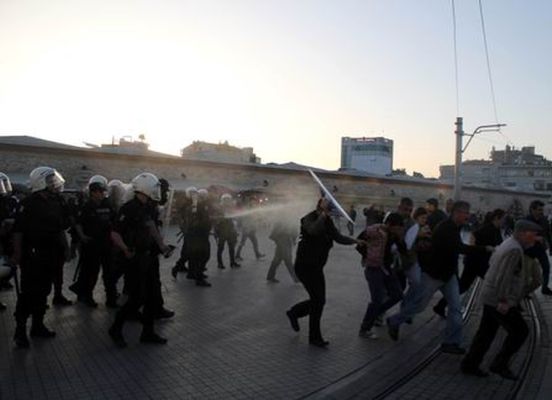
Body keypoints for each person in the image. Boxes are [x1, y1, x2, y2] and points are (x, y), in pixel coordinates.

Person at [387, 201, 492, 354]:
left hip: (448, 275)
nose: (468, 216)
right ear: (456, 213)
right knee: (419, 305)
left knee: (456, 308)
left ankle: (451, 342)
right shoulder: (446, 228)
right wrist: (484, 249)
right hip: (433, 274)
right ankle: (394, 321)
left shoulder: (455, 227)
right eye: (465, 212)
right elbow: (459, 248)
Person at [461, 220, 542, 379]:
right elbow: (503, 277)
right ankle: (499, 364)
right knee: (520, 331)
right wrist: (504, 301)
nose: (535, 239)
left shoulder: (509, 244)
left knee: (486, 332)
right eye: (533, 235)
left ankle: (470, 364)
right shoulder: (514, 249)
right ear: (522, 233)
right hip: (498, 299)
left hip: (491, 296)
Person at [285, 197, 362, 347]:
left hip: (316, 267)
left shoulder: (327, 221)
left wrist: (355, 241)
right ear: (319, 205)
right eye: (326, 204)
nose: (329, 207)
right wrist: (323, 215)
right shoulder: (308, 218)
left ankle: (295, 313)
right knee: (318, 300)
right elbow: (313, 230)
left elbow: (338, 237)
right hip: (304, 266)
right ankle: (314, 337)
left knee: (319, 300)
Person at [108, 172, 174, 348]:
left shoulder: (150, 208)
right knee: (137, 298)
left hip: (149, 257)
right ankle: (115, 329)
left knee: (152, 297)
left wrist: (162, 246)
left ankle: (148, 332)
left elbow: (152, 228)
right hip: (134, 258)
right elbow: (114, 233)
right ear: (144, 189)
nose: (157, 192)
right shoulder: (128, 208)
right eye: (154, 189)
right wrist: (125, 249)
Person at [12, 167, 69, 348]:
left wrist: (66, 248)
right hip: (32, 256)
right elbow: (18, 232)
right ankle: (20, 331)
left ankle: (38, 326)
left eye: (54, 180)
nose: (54, 183)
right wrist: (17, 253)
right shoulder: (28, 204)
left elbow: (60, 228)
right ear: (40, 183)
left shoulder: (56, 201)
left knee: (44, 291)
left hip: (51, 254)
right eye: (50, 180)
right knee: (28, 293)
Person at [433, 209, 505, 318]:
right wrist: (475, 250)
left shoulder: (496, 230)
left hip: (482, 263)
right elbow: (474, 235)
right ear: (497, 218)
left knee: (465, 286)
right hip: (475, 262)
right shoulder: (488, 228)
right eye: (503, 219)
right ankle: (496, 309)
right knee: (471, 285)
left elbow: (499, 244)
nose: (504, 221)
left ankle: (440, 306)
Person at [69, 175, 118, 307]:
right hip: (91, 245)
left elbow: (114, 221)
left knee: (109, 274)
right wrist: (82, 236)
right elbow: (78, 223)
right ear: (93, 193)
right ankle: (86, 296)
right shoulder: (86, 206)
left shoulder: (108, 204)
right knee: (90, 273)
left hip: (107, 245)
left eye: (103, 192)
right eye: (100, 192)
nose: (102, 194)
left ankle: (111, 299)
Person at [357, 213, 405, 339]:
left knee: (397, 294)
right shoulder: (374, 230)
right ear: (389, 224)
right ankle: (365, 328)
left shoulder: (394, 235)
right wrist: (369, 255)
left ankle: (374, 314)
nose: (397, 231)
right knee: (377, 300)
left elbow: (403, 250)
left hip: (387, 269)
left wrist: (400, 239)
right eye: (396, 228)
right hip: (373, 269)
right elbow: (359, 243)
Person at [182, 186, 212, 287]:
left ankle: (194, 274)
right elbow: (194, 220)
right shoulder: (196, 207)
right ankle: (198, 278)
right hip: (198, 235)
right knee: (203, 255)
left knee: (196, 256)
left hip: (199, 234)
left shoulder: (200, 206)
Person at [525, 200, 552, 295]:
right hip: (528, 250)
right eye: (539, 209)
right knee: (526, 272)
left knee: (546, 267)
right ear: (532, 210)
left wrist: (550, 246)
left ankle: (544, 288)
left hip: (540, 249)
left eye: (542, 210)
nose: (541, 212)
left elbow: (548, 233)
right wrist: (535, 238)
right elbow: (521, 235)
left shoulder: (544, 220)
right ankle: (525, 291)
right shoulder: (526, 220)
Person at [266, 216, 298, 283]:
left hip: (283, 239)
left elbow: (294, 229)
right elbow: (293, 229)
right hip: (283, 239)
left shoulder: (287, 217)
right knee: (288, 259)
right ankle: (295, 278)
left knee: (277, 260)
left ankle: (270, 276)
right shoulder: (284, 218)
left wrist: (293, 238)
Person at [214, 194, 240, 269]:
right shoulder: (219, 209)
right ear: (223, 200)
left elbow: (234, 219)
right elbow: (215, 220)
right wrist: (222, 218)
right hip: (222, 231)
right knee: (220, 248)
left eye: (228, 200)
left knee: (232, 248)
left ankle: (232, 262)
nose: (227, 201)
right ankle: (220, 263)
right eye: (225, 200)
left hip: (230, 231)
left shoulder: (231, 208)